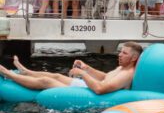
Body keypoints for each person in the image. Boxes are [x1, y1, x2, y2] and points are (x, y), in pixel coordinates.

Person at [0, 41, 142, 93]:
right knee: (57, 76)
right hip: (89, 87)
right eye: (120, 52)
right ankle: (26, 71)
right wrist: (87, 68)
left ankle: (10, 74)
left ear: (134, 58)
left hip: (91, 92)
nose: (119, 55)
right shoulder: (121, 68)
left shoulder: (127, 74)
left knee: (46, 82)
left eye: (124, 53)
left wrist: (82, 74)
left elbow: (100, 89)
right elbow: (105, 77)